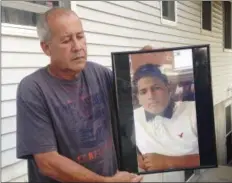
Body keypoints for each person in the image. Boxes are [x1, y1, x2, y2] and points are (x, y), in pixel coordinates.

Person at [16, 7, 143, 183]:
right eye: (66, 40)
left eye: (80, 36)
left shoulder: (100, 74)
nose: (77, 47)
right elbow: (47, 161)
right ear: (46, 48)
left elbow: (133, 99)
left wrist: (143, 67)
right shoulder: (33, 89)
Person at [132, 64, 200, 182]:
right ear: (138, 97)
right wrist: (135, 158)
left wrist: (168, 162)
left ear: (168, 88)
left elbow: (211, 157)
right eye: (143, 91)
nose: (151, 96)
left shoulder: (194, 111)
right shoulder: (133, 118)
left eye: (156, 88)